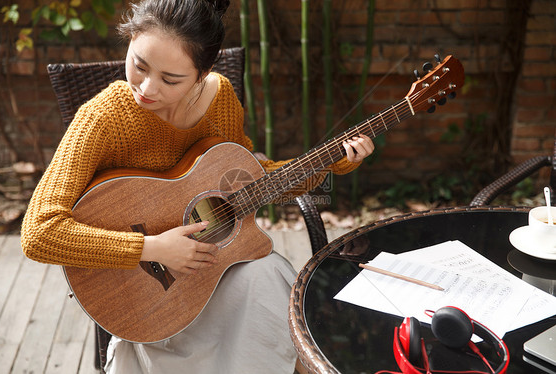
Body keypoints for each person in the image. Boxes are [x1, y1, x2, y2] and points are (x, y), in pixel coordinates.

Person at [21, 0, 375, 372]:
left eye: (170, 79)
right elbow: (38, 233)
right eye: (138, 65)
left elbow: (248, 178)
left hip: (212, 273)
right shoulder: (103, 118)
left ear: (203, 72)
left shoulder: (220, 98)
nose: (145, 87)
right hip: (146, 295)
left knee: (268, 273)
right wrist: (153, 248)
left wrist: (332, 160)